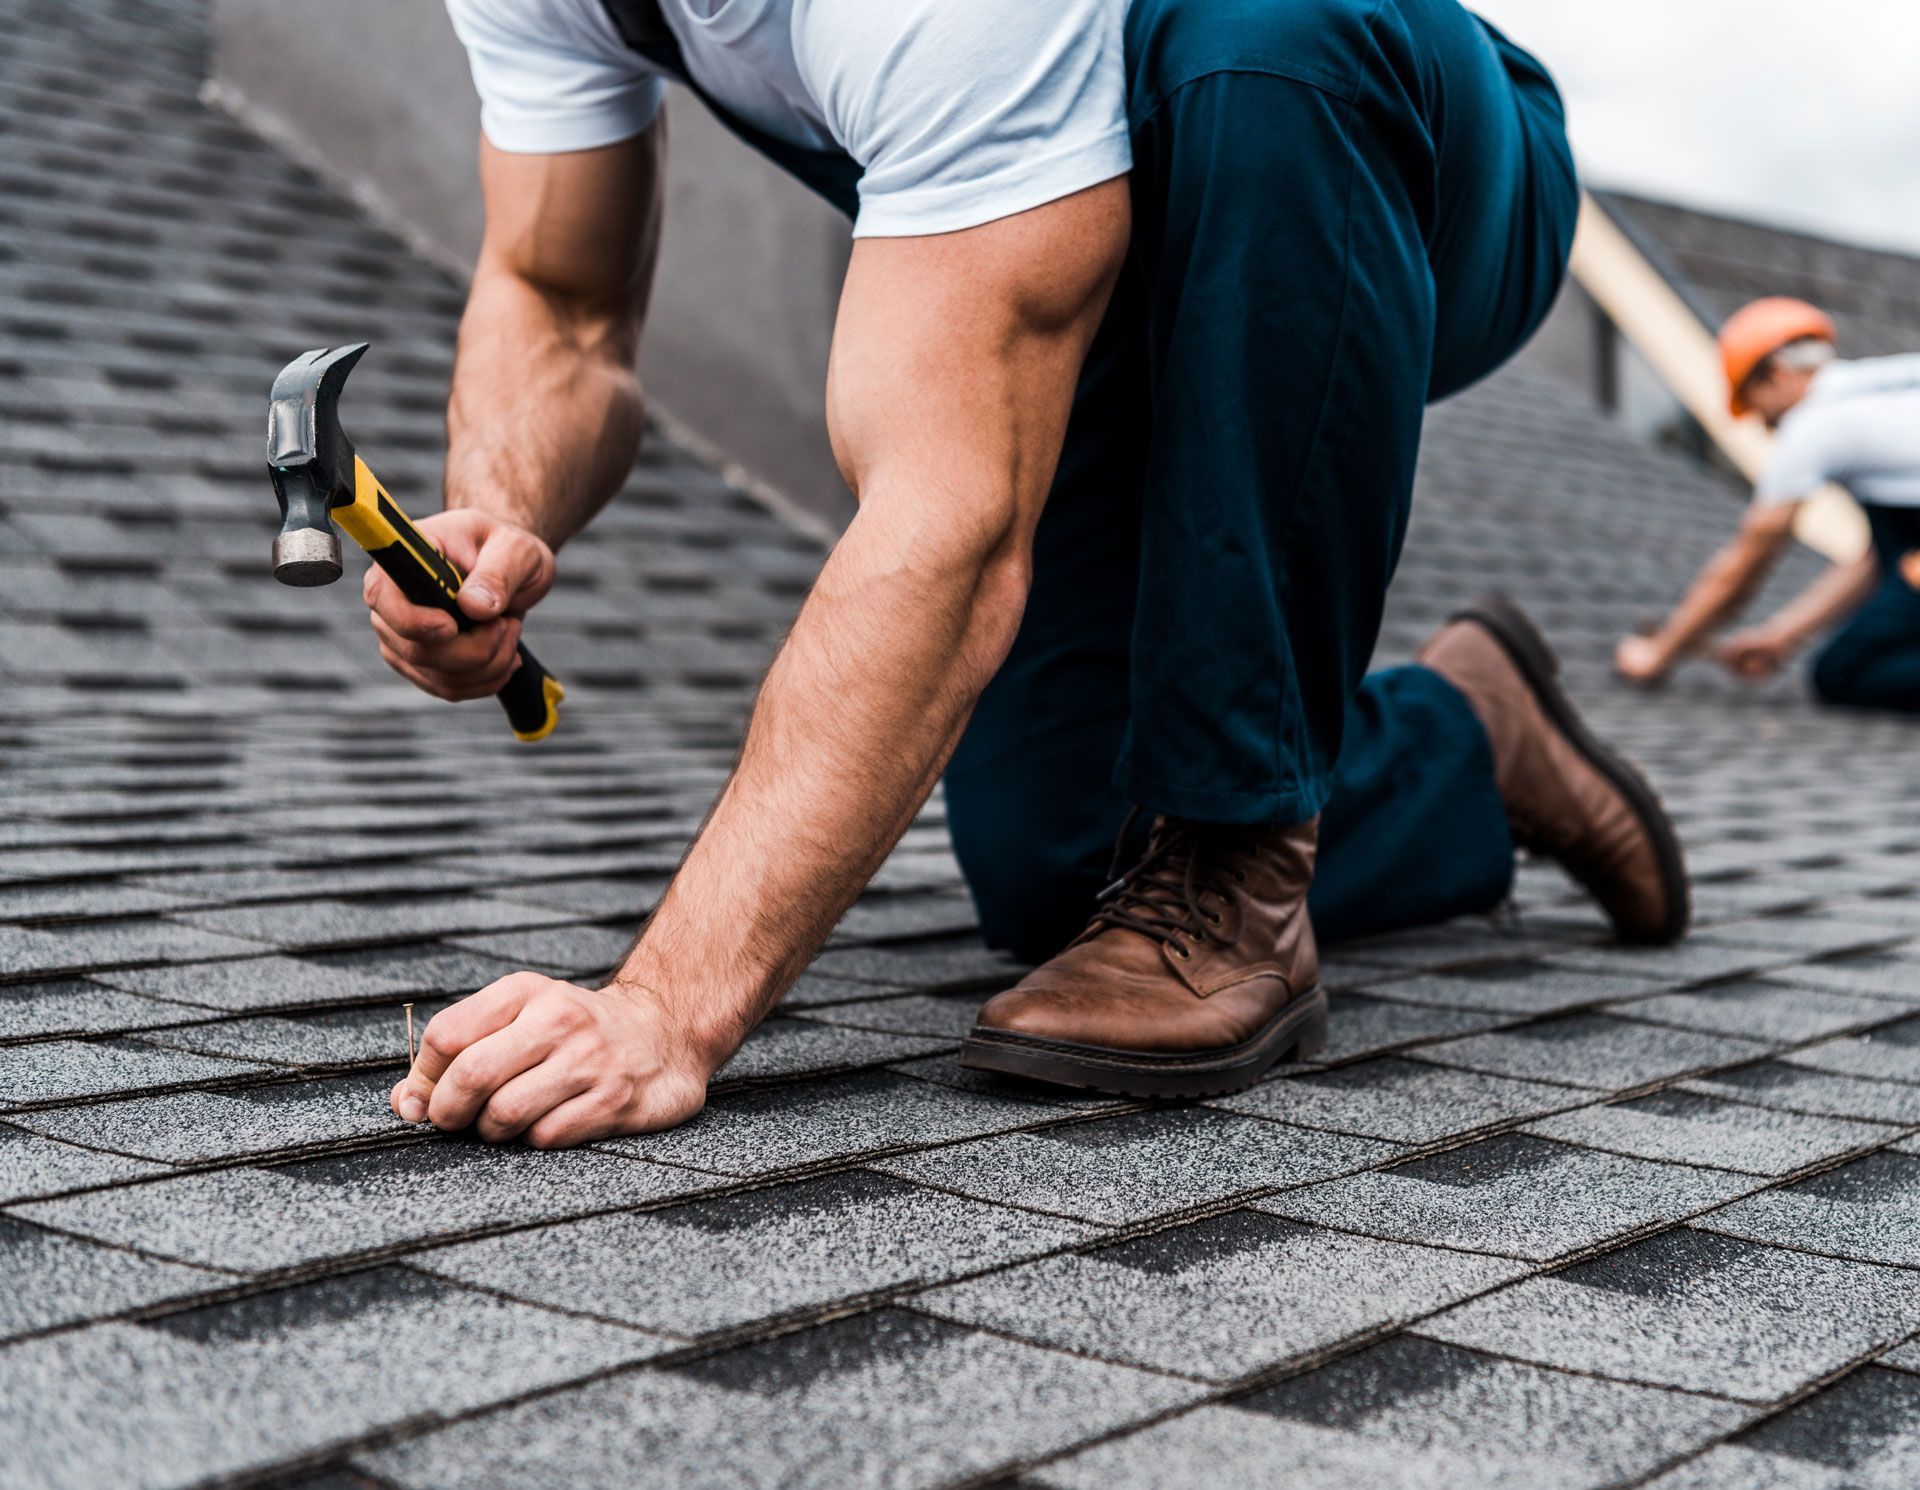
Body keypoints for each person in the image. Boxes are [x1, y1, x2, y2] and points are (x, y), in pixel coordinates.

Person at [378, 0, 1689, 1145]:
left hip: (1395, 138)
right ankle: (1468, 733)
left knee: (1269, 30)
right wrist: (494, 515)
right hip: (1095, 222)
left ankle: (1243, 864)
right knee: (1072, 857)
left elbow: (949, 522)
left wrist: (664, 1008)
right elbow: (557, 292)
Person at [1615, 297, 1920, 708]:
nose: (1762, 424)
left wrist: (1659, 653)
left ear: (1777, 374)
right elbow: (1876, 561)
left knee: (1845, 672)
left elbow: (1745, 562)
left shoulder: (1817, 422)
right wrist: (1781, 635)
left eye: (1756, 405)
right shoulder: (1879, 393)